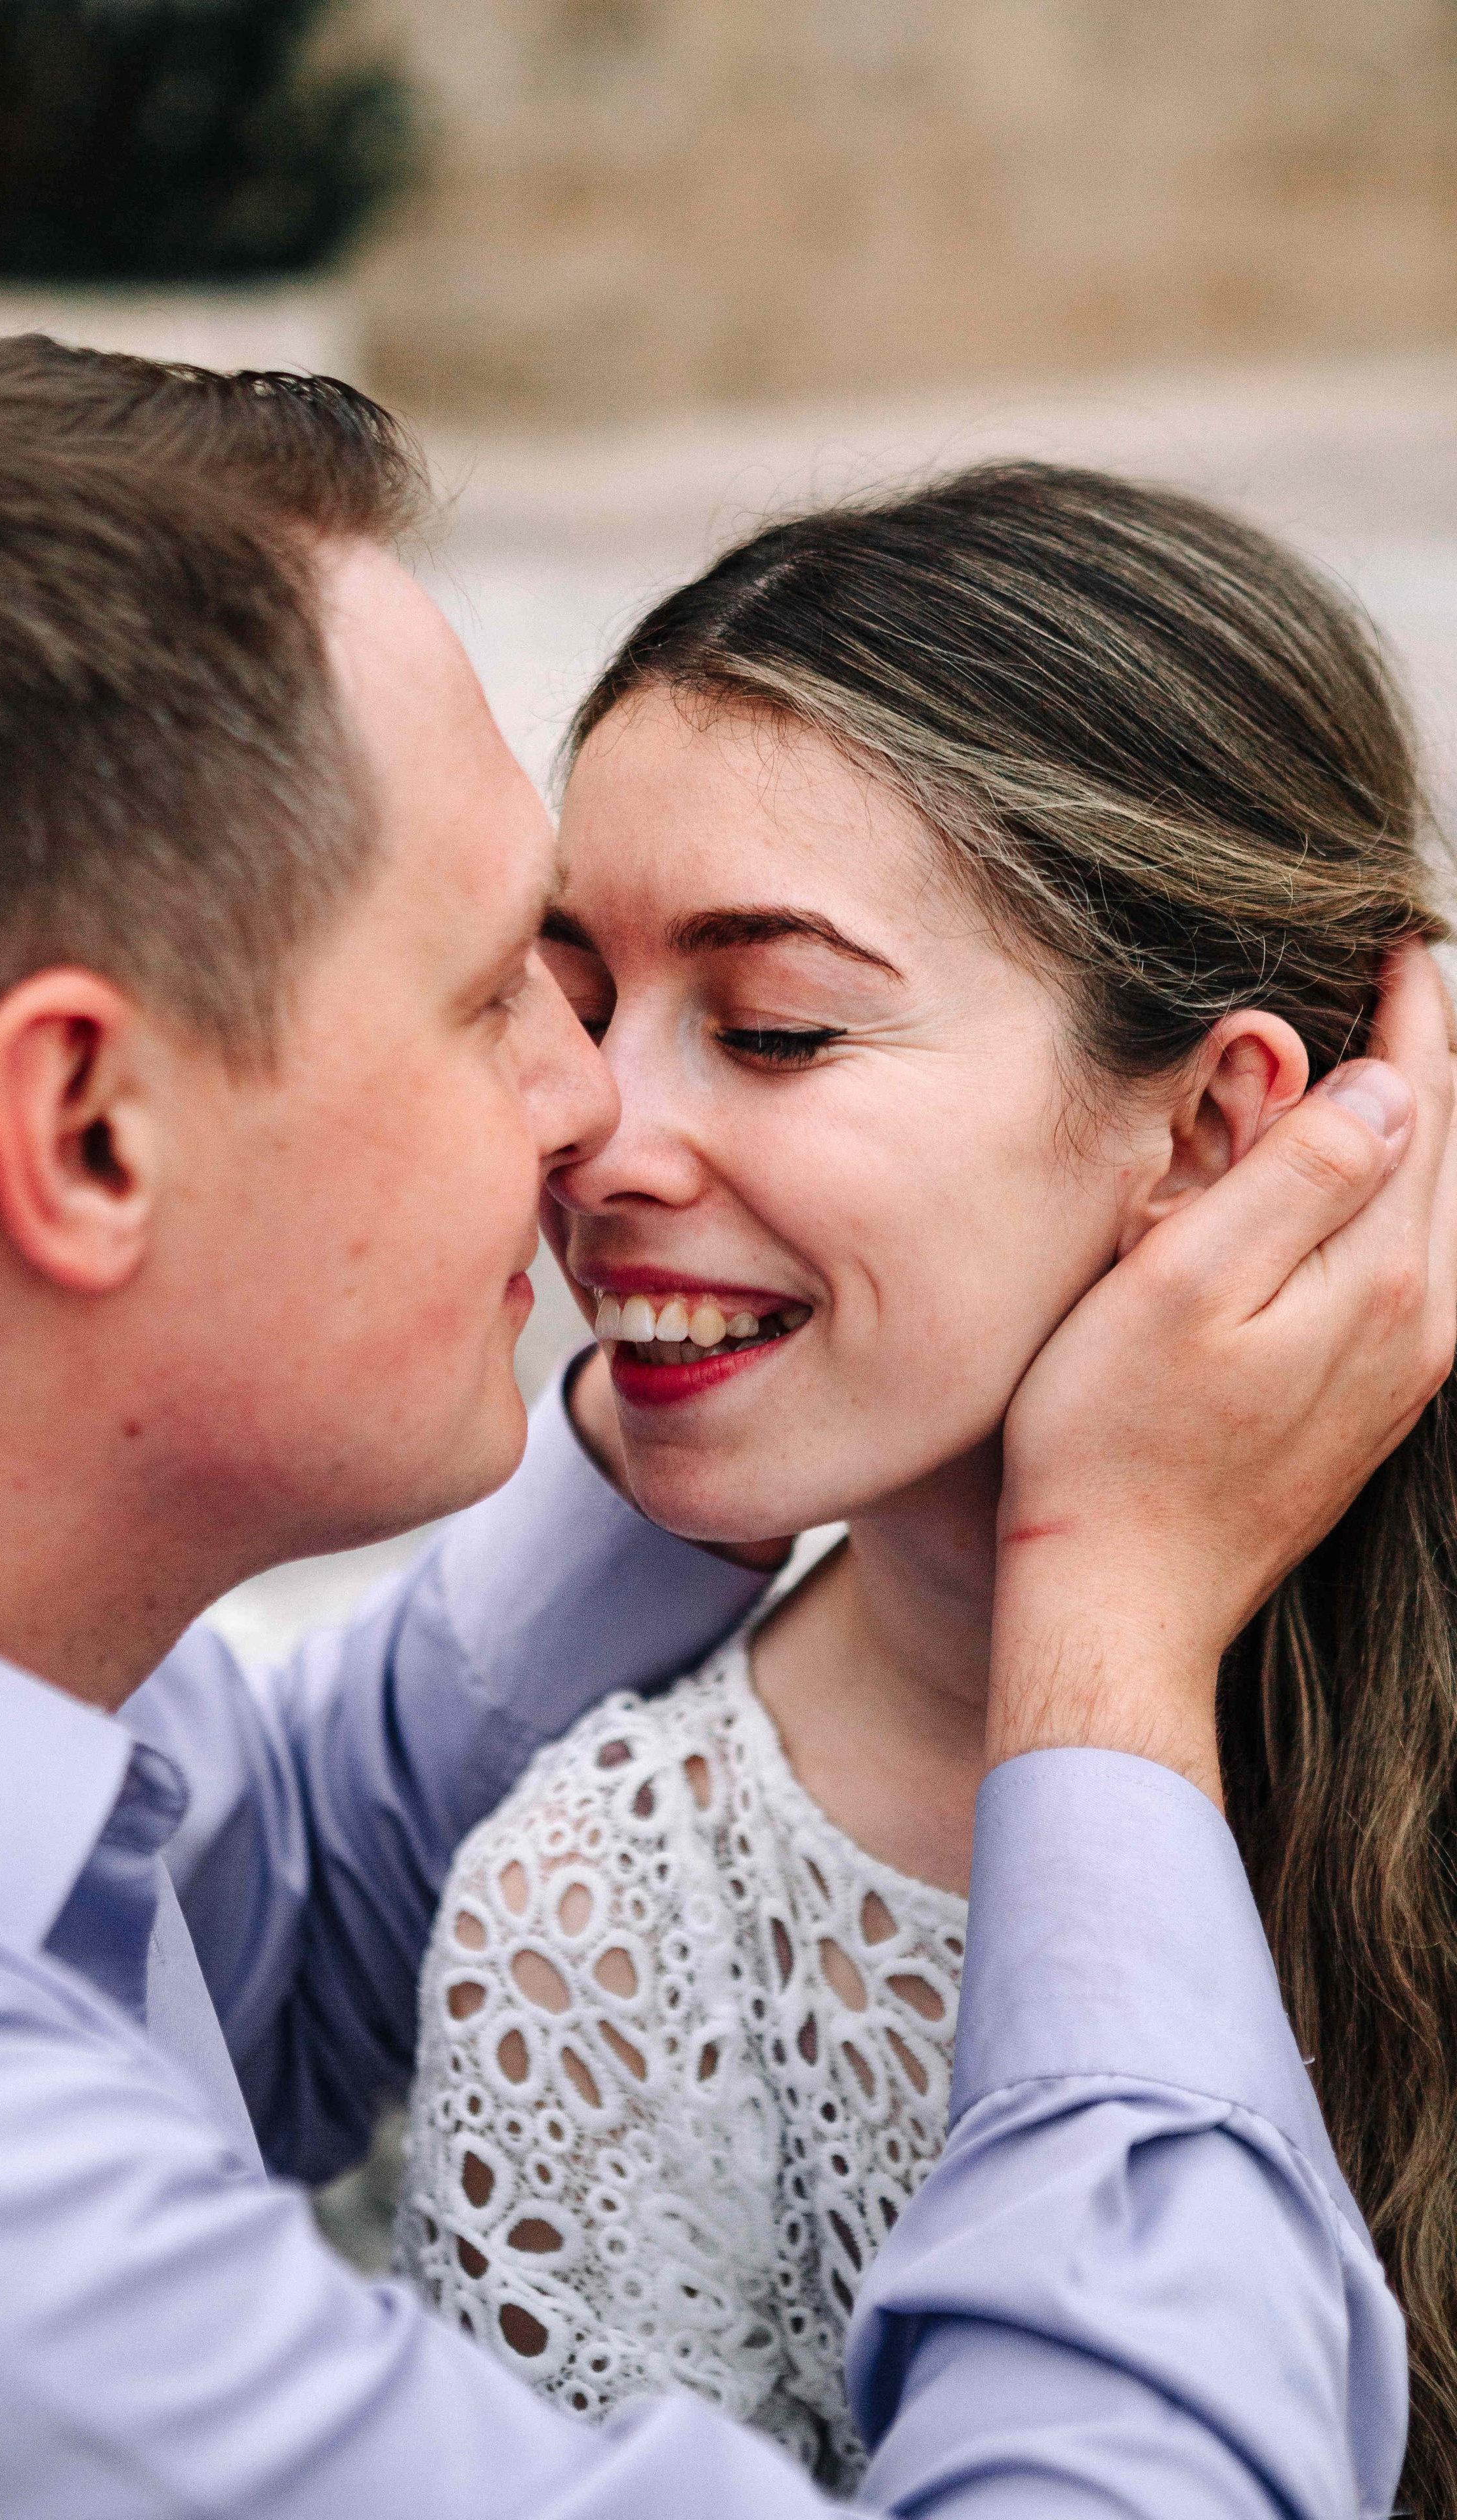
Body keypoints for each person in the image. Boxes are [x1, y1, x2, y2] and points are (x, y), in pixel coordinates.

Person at [0, 337, 1445, 2519]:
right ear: (86, 1132)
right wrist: (1110, 1631)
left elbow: (262, 1887)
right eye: (504, 999)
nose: (586, 1120)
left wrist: (710, 1421)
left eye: (761, 1025)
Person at [392, 461, 1457, 2507]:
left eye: (777, 1029)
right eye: (585, 1003)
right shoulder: (611, 1933)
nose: (593, 1131)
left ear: (1226, 1121)